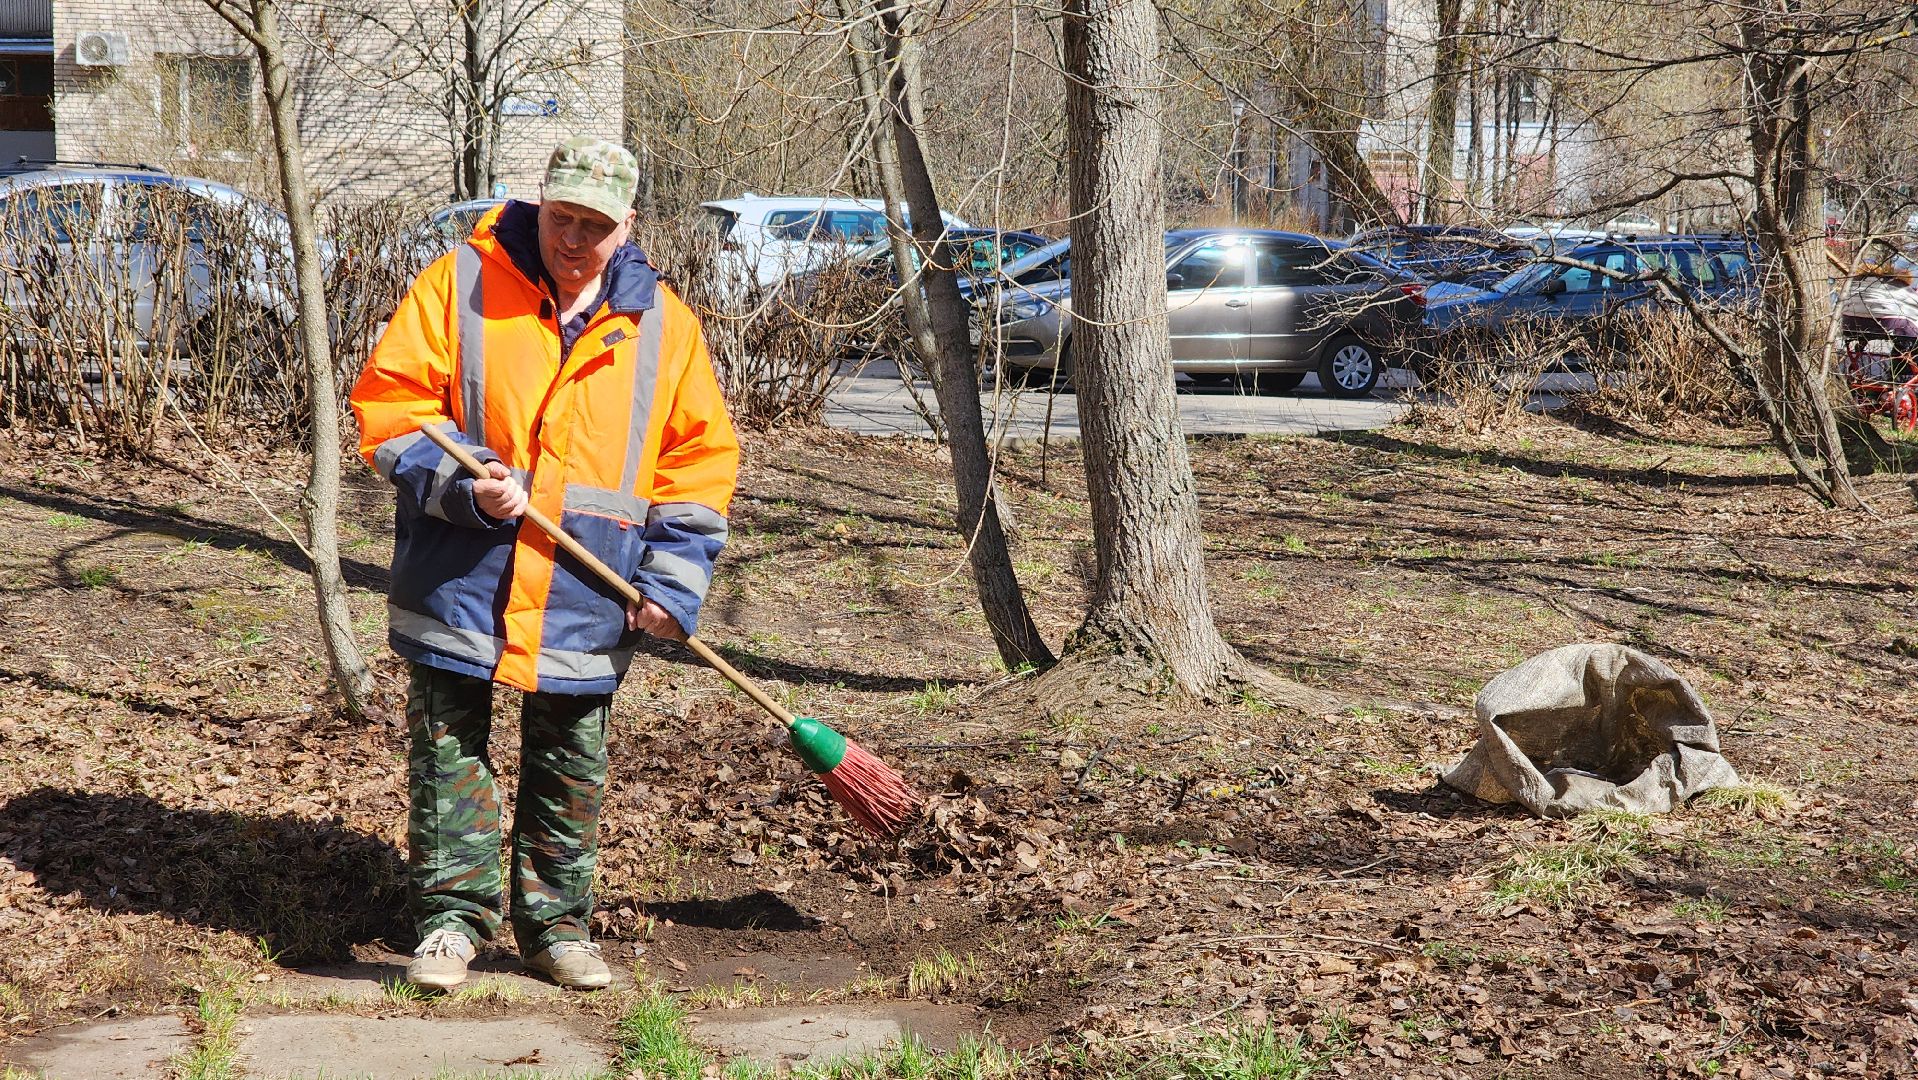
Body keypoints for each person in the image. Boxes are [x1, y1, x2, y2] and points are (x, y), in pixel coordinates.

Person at [350, 136, 739, 991]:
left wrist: (672, 583)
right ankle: (450, 925)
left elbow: (697, 464)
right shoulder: (459, 282)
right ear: (540, 200)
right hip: (461, 576)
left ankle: (557, 929)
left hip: (587, 589)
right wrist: (463, 484)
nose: (572, 240)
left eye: (595, 226)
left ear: (629, 224)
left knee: (570, 760)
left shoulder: (664, 325)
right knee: (449, 757)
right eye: (562, 217)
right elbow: (389, 406)